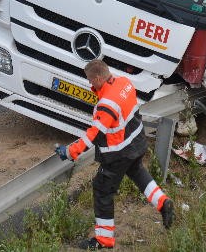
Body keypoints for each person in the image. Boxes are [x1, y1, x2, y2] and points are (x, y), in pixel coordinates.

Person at [55, 59, 174, 250]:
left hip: (119, 154)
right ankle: (162, 202)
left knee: (102, 190)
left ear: (99, 77)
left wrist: (70, 152)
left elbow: (94, 134)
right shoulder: (124, 83)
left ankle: (104, 240)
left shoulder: (106, 104)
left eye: (91, 80)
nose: (90, 84)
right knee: (138, 173)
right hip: (136, 143)